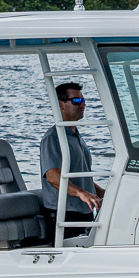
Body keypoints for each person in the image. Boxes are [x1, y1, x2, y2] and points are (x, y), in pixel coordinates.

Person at [40, 81, 103, 222]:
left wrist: (103, 194)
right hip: (64, 214)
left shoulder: (76, 137)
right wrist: (82, 193)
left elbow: (82, 178)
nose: (82, 105)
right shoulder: (53, 138)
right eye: (76, 101)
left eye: (83, 101)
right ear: (61, 104)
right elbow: (53, 177)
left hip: (84, 211)